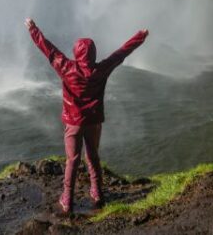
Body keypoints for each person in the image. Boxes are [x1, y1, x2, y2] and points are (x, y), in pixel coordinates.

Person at [25, 18, 148, 213]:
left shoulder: (66, 67)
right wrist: (140, 36)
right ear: (93, 53)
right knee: (93, 156)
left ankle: (67, 197)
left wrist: (33, 29)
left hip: (73, 123)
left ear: (76, 52)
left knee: (72, 159)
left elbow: (48, 50)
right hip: (94, 121)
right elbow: (121, 53)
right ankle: (97, 191)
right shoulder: (101, 70)